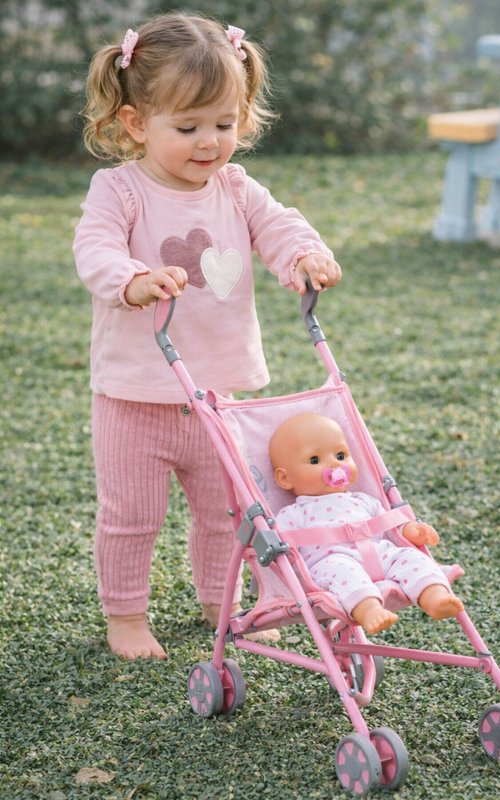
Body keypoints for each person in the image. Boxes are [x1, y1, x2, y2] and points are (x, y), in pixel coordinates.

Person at [73, 13, 341, 659]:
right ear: (137, 122)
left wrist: (303, 254)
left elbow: (279, 227)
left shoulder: (237, 188)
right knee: (131, 519)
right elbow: (95, 247)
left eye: (223, 124)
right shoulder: (121, 190)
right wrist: (131, 278)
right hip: (135, 395)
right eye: (187, 127)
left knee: (229, 517)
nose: (209, 142)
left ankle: (216, 601)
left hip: (219, 396)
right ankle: (126, 618)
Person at [269, 414, 464, 635]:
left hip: (380, 553)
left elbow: (390, 528)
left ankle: (435, 597)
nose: (335, 464)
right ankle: (370, 610)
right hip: (332, 562)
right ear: (285, 479)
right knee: (344, 573)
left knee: (411, 557)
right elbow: (281, 545)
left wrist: (411, 530)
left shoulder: (363, 500)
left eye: (341, 455)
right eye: (315, 460)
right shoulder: (295, 513)